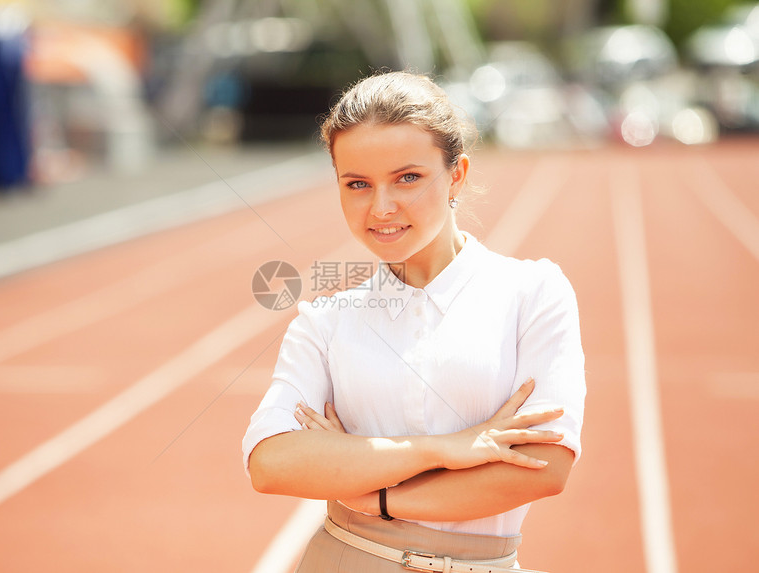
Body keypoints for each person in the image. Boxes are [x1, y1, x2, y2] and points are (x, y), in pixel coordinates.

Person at [242, 71, 586, 572]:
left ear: (457, 176)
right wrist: (449, 449)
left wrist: (373, 493)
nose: (381, 208)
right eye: (357, 184)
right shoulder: (325, 323)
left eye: (408, 177)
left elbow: (542, 469)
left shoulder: (533, 293)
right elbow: (270, 463)